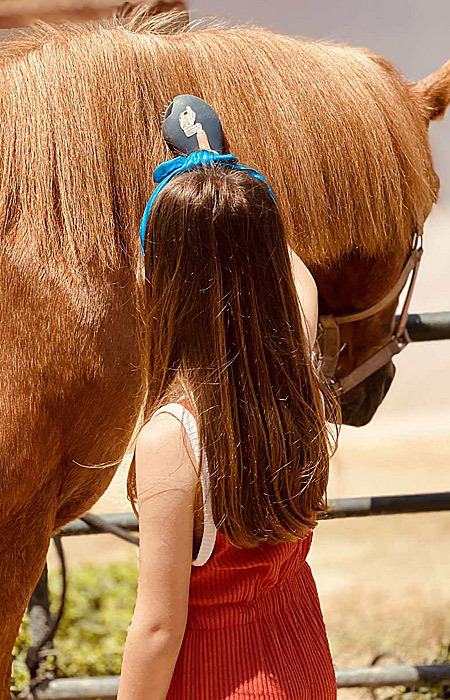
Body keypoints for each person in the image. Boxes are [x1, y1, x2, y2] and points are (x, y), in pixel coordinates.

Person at [118, 123, 339, 699]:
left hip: (219, 680)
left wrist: (199, 180)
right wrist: (220, 172)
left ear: (165, 279)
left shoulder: (175, 438)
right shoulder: (295, 376)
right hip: (304, 668)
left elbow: (158, 629)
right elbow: (297, 280)